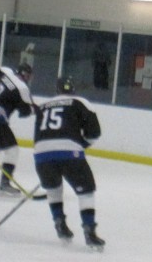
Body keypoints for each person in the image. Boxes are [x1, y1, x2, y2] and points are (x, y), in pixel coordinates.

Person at [33, 76, 105, 250]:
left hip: (41, 155)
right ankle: (89, 231)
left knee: (53, 189)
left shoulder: (43, 106)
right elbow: (94, 133)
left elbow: (39, 135)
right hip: (69, 152)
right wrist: (81, 146)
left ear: (57, 90)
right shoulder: (80, 102)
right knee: (86, 191)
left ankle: (59, 223)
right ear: (73, 89)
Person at [0, 63, 35, 195]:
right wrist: (35, 110)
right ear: (26, 75)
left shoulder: (6, 71)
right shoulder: (22, 88)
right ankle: (5, 183)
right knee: (12, 150)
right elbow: (24, 112)